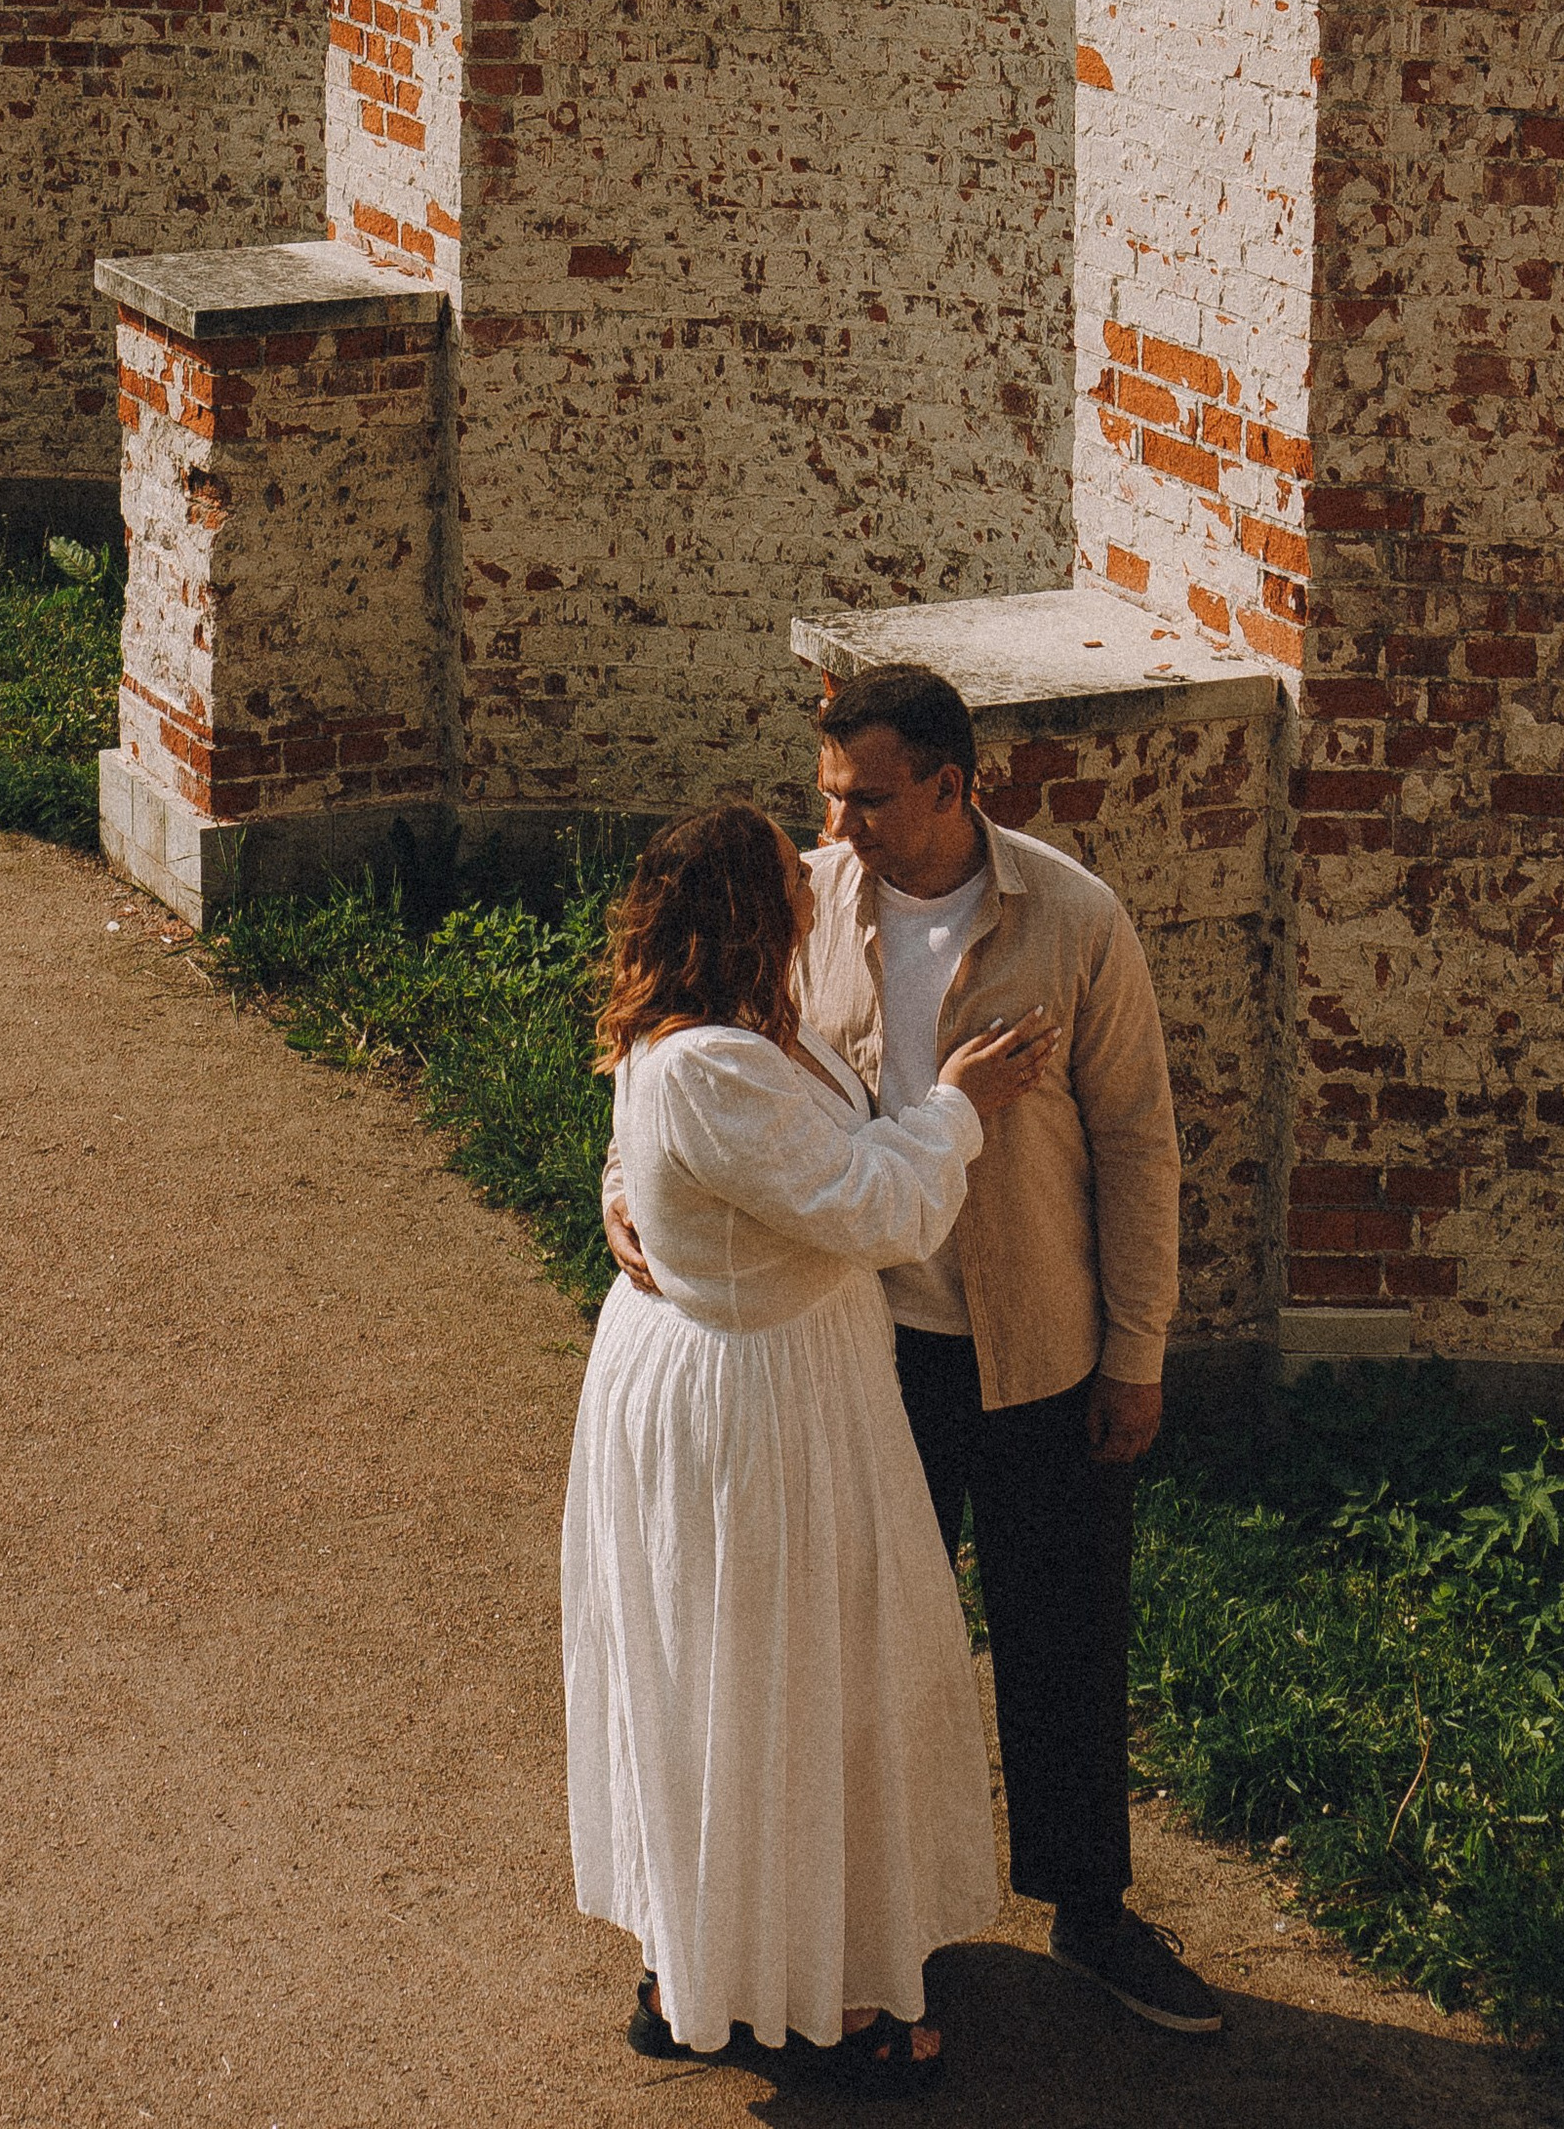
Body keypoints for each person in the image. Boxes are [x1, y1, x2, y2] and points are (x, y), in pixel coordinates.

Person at [606, 666, 1223, 2037]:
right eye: (829, 796)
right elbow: (694, 1051)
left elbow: (1138, 1142)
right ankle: (871, 1928)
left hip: (1038, 1347)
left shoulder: (1074, 917)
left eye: (869, 799)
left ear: (957, 785)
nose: (841, 828)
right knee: (853, 1659)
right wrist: (623, 1186)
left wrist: (1139, 1349)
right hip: (858, 1360)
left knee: (1063, 1644)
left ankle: (1091, 1912)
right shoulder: (806, 909)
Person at [563, 798, 1059, 2083]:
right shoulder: (710, 1064)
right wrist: (959, 1103)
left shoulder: (735, 1035)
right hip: (749, 1409)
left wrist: (628, 1195)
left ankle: (718, 1961)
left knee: (753, 1676)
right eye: (792, 870)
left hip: (777, 1377)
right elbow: (877, 1207)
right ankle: (802, 2005)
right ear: (748, 912)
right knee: (768, 1680)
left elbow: (716, 1165)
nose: (815, 880)